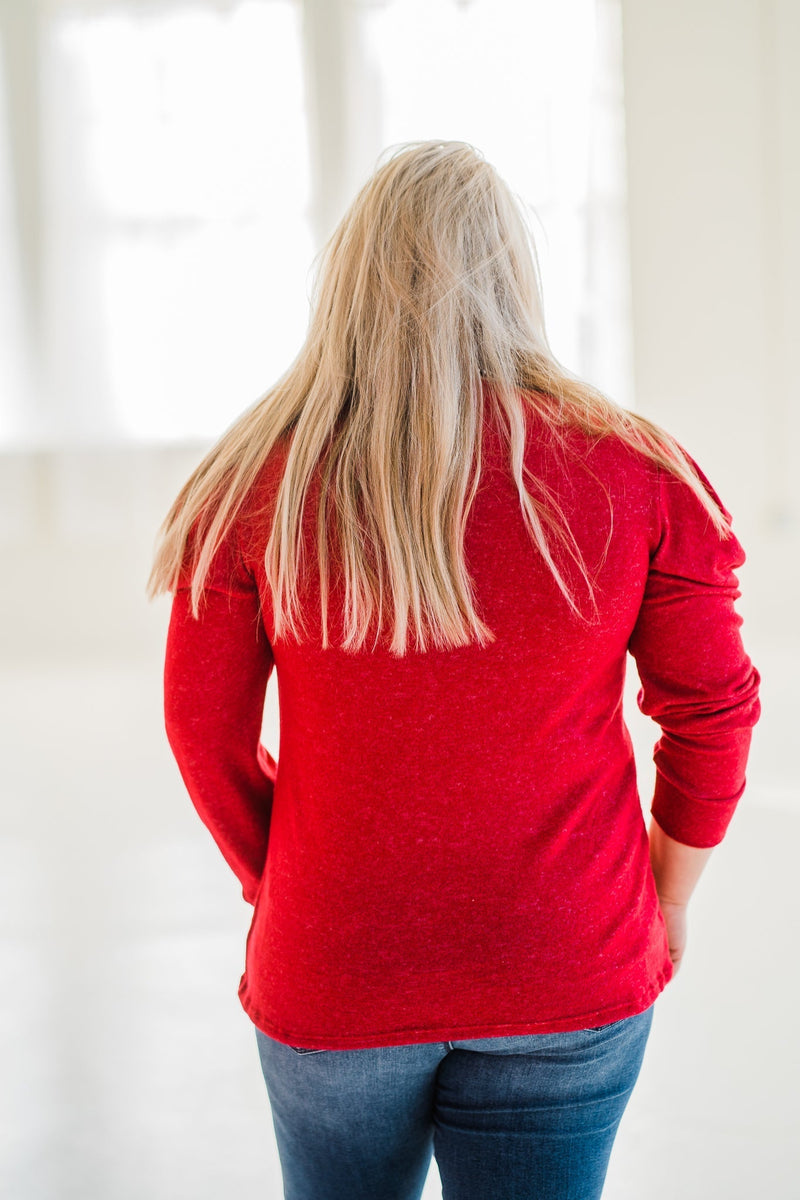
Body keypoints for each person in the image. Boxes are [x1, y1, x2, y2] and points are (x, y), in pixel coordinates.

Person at [149, 141, 760, 1200]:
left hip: (332, 969)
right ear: (515, 277)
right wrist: (668, 891)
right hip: (571, 960)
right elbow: (711, 709)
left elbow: (200, 736)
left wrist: (285, 882)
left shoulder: (252, 480)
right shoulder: (637, 472)